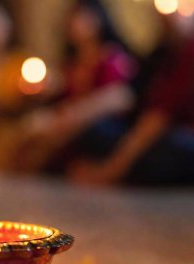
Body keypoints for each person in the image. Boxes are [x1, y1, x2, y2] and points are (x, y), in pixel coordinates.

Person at [70, 11, 194, 185]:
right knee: (97, 131)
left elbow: (157, 119)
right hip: (146, 132)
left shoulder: (190, 50)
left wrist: (109, 171)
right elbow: (132, 99)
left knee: (172, 149)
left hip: (175, 138)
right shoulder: (161, 52)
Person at [19, 0, 137, 173]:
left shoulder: (113, 59)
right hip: (69, 122)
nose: (75, 24)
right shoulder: (70, 65)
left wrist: (73, 115)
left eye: (82, 17)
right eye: (72, 18)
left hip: (98, 124)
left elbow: (119, 98)